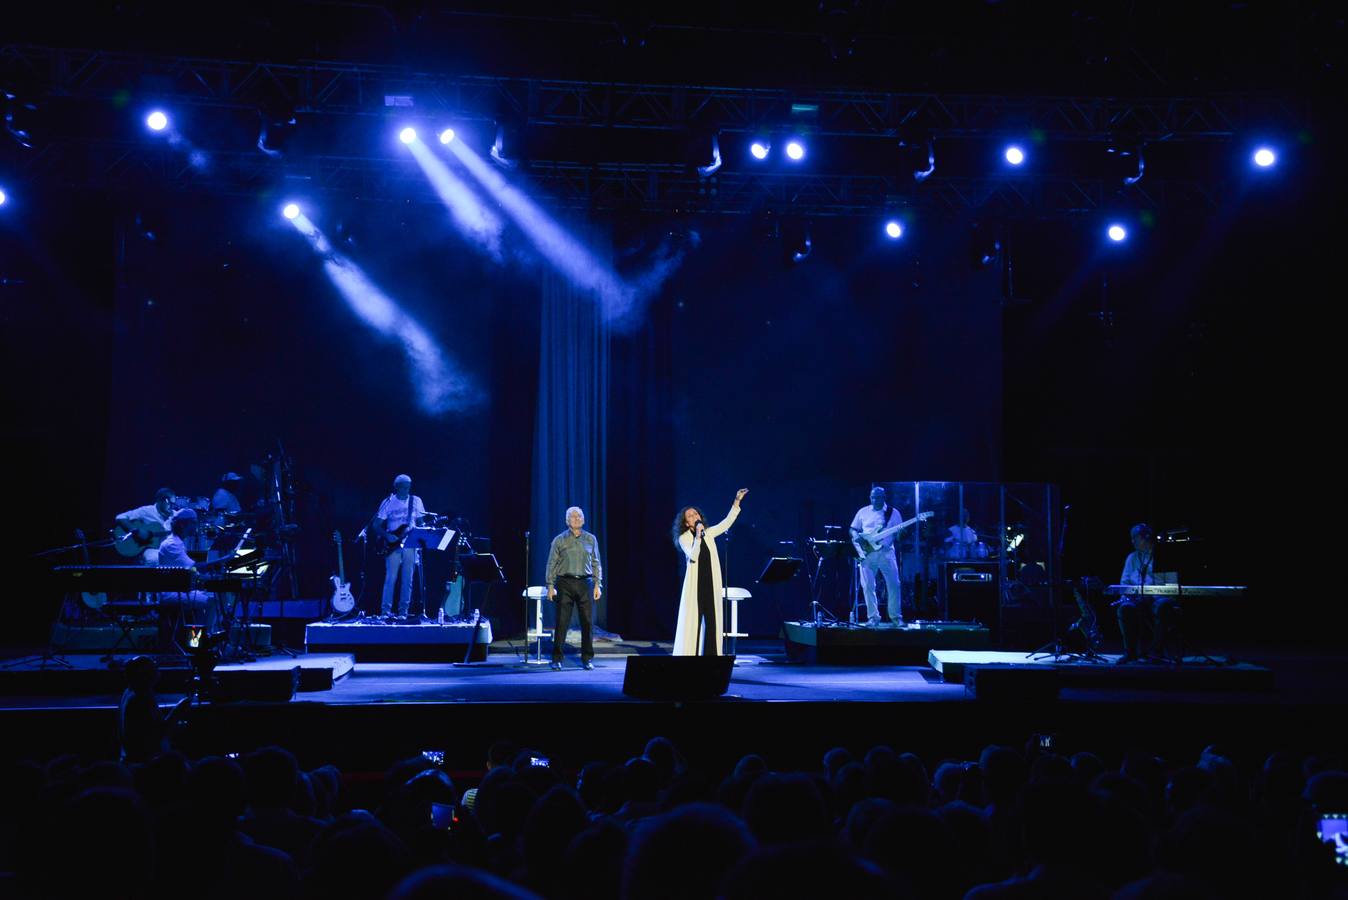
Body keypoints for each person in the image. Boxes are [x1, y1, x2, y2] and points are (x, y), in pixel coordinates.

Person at [672, 488, 748, 656]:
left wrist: (736, 501)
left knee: (713, 623)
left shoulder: (709, 533)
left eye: (696, 514)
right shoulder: (684, 538)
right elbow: (693, 555)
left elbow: (727, 522)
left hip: (711, 585)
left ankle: (712, 658)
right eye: (690, 516)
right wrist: (697, 537)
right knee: (694, 623)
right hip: (696, 588)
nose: (695, 517)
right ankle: (691, 657)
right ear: (686, 523)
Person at [545, 507, 603, 670]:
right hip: (565, 583)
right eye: (572, 516)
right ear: (567, 521)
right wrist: (550, 585)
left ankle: (587, 658)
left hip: (586, 583)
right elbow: (551, 564)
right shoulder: (559, 540)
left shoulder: (591, 539)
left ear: (584, 520)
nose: (576, 518)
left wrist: (598, 584)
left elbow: (596, 563)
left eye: (579, 516)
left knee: (587, 623)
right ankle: (557, 659)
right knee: (562, 623)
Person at [1114, 523, 1181, 663]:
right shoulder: (1132, 558)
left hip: (1159, 598)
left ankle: (1156, 652)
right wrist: (1131, 594)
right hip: (1139, 599)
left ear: (1147, 537)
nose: (1132, 541)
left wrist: (1154, 593)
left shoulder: (1164, 555)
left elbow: (1172, 587)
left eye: (1135, 537)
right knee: (1125, 609)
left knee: (1164, 607)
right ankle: (1130, 653)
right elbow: (1124, 584)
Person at [156, 508, 220, 647]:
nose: (196, 526)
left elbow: (191, 570)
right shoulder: (171, 545)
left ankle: (199, 641)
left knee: (211, 598)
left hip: (179, 591)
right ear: (183, 525)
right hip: (172, 594)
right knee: (211, 600)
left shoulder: (178, 542)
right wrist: (224, 560)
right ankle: (204, 641)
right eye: (193, 523)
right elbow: (194, 567)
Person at [849, 486, 905, 627]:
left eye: (878, 497)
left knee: (894, 585)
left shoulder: (893, 513)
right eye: (873, 497)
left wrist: (901, 533)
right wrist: (857, 537)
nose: (875, 500)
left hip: (886, 553)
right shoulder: (863, 511)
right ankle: (873, 617)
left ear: (884, 497)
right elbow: (853, 529)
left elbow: (899, 536)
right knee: (867, 585)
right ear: (870, 497)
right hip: (867, 554)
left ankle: (896, 617)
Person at [373, 474, 427, 621]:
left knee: (408, 579)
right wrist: (387, 535)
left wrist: (423, 528)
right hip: (392, 544)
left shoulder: (416, 501)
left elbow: (421, 521)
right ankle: (385, 611)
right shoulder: (388, 502)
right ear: (396, 487)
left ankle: (403, 612)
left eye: (408, 487)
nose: (406, 490)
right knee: (391, 578)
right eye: (403, 487)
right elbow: (376, 525)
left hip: (411, 544)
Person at [114, 488, 176, 564]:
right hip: (149, 549)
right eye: (169, 503)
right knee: (155, 558)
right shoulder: (146, 511)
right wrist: (135, 531)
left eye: (174, 503)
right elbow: (120, 517)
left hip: (169, 549)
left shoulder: (176, 516)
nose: (172, 506)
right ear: (159, 501)